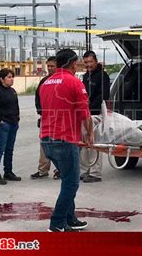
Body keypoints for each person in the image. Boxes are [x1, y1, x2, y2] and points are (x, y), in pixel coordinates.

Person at [39, 48, 93, 232]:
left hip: (46, 139)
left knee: (67, 181)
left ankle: (70, 218)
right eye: (77, 62)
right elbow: (85, 114)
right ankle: (57, 222)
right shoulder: (74, 82)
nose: (78, 66)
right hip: (64, 139)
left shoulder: (46, 83)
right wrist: (91, 135)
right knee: (71, 183)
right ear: (72, 63)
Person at [80, 51, 110, 183]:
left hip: (95, 114)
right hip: (85, 114)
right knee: (85, 143)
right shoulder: (85, 76)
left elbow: (104, 95)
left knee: (94, 143)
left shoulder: (103, 76)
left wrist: (90, 107)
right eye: (86, 62)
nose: (88, 65)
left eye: (90, 62)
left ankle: (95, 173)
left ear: (96, 61)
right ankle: (84, 170)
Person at [0, 68, 21, 185]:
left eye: (12, 77)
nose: (11, 79)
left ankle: (8, 171)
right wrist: (0, 120)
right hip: (1, 124)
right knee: (0, 149)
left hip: (13, 123)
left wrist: (17, 119)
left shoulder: (12, 91)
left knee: (9, 149)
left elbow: (16, 106)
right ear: (2, 79)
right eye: (9, 77)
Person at [31, 56, 60, 180]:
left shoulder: (61, 80)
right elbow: (37, 97)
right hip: (46, 118)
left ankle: (60, 169)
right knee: (44, 144)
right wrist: (40, 111)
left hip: (60, 118)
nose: (50, 69)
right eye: (48, 66)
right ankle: (43, 169)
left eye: (52, 66)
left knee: (59, 144)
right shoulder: (44, 81)